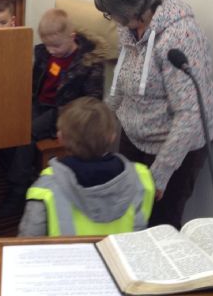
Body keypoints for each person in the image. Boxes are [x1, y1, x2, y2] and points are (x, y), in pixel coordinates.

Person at [93, 0, 213, 229]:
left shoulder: (180, 36)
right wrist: (101, 118)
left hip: (176, 145)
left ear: (131, 8)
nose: (112, 19)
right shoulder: (128, 27)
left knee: (160, 226)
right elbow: (124, 78)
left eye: (112, 13)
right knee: (128, 215)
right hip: (136, 135)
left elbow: (190, 114)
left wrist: (160, 174)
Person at [0, 8, 106, 218]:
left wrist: (68, 121)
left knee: (26, 135)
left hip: (64, 112)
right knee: (9, 122)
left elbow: (92, 100)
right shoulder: (44, 53)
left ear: (71, 36)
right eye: (47, 45)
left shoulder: (89, 62)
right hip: (40, 104)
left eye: (56, 46)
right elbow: (34, 82)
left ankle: (17, 192)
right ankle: (17, 173)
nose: (51, 50)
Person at [18, 96, 155, 236]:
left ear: (60, 138)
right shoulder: (142, 178)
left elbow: (28, 241)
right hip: (119, 250)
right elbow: (139, 230)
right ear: (112, 137)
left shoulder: (46, 188)